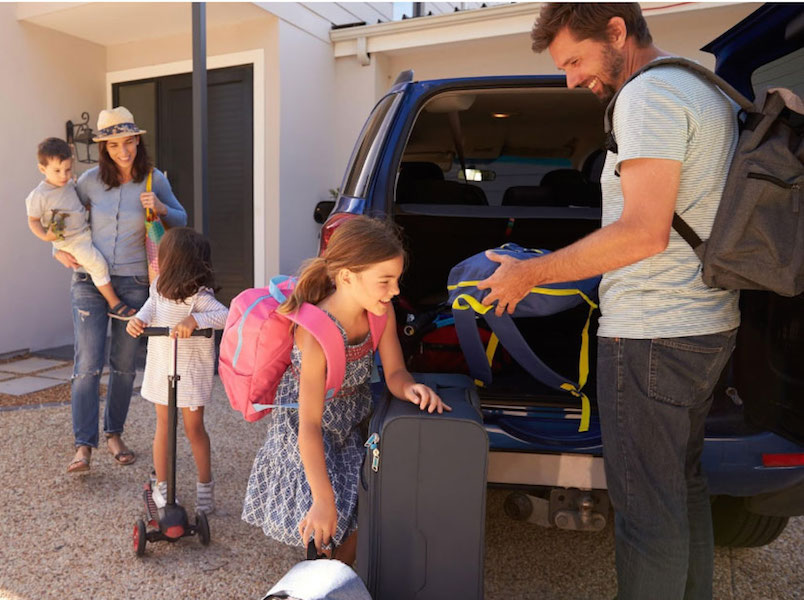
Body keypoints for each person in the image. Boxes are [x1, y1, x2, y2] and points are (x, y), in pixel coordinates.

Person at [478, 4, 739, 598]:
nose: (570, 79)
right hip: (707, 324)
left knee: (647, 512)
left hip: (651, 334)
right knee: (683, 487)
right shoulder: (702, 88)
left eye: (575, 59)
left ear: (617, 32)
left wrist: (531, 274)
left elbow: (642, 232)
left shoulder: (647, 97)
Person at [242, 216, 451, 565]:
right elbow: (308, 425)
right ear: (347, 277)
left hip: (349, 423)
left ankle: (336, 571)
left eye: (397, 280)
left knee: (367, 502)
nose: (396, 291)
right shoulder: (316, 335)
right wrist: (323, 499)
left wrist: (411, 388)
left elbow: (396, 371)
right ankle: (325, 572)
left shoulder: (380, 313)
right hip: (307, 431)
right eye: (385, 281)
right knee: (329, 512)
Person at [57, 106, 187, 474]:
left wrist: (161, 207)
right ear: (105, 148)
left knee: (125, 365)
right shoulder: (87, 182)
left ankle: (114, 433)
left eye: (129, 142)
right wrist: (58, 249)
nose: (124, 151)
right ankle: (84, 446)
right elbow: (64, 220)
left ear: (137, 141)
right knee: (87, 364)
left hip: (134, 283)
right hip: (88, 280)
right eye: (115, 145)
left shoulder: (153, 178)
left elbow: (181, 218)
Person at [126, 227, 228, 514]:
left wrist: (195, 320)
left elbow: (226, 315)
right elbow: (148, 309)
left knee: (194, 429)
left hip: (190, 371)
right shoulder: (158, 286)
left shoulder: (199, 295)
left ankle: (205, 488)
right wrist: (138, 321)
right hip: (162, 369)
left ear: (175, 259)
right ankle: (163, 486)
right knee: (164, 426)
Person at [27, 137, 135, 321]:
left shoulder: (69, 184)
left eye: (68, 169)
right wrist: (47, 238)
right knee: (97, 265)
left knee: (98, 262)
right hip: (71, 241)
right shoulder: (39, 196)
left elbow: (75, 203)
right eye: (57, 171)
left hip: (85, 232)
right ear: (42, 169)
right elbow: (33, 220)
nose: (64, 175)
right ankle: (114, 303)